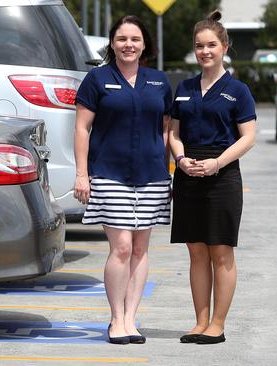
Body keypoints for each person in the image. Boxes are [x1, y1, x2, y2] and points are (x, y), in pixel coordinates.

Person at [73, 15, 172, 345]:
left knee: (141, 249)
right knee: (122, 248)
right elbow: (82, 129)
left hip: (152, 177)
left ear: (145, 44)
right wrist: (82, 174)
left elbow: (167, 130)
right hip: (108, 173)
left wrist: (170, 172)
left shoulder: (159, 82)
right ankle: (116, 319)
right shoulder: (97, 79)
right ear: (111, 43)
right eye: (121, 39)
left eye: (135, 39)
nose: (128, 45)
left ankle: (132, 318)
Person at [168, 10, 256, 345]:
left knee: (221, 251)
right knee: (196, 251)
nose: (205, 51)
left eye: (211, 45)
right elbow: (173, 133)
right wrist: (179, 158)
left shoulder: (238, 90)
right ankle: (199, 322)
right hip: (188, 175)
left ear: (224, 46)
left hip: (222, 177)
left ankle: (217, 325)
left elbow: (248, 137)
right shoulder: (185, 88)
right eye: (199, 46)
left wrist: (217, 163)